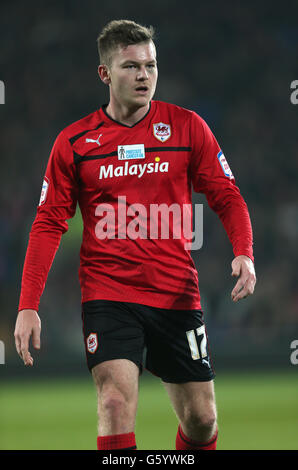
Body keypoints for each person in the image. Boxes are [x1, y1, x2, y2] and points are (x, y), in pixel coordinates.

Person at [14, 19, 256, 451]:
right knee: (112, 403)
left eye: (150, 65)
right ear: (105, 74)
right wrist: (28, 305)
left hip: (175, 293)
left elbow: (226, 194)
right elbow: (49, 222)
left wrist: (244, 251)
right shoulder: (75, 142)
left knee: (202, 420)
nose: (144, 75)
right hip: (108, 294)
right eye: (131, 67)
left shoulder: (186, 127)